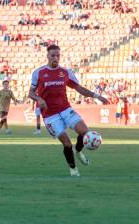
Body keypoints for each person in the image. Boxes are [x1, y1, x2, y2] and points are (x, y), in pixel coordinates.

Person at [28, 44, 109, 176]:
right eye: (53, 55)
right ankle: (73, 169)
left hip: (65, 109)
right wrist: (39, 99)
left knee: (85, 132)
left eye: (58, 55)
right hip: (50, 115)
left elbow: (79, 88)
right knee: (67, 144)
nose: (55, 58)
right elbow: (30, 93)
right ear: (47, 56)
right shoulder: (39, 73)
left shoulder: (65, 72)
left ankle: (78, 150)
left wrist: (97, 96)